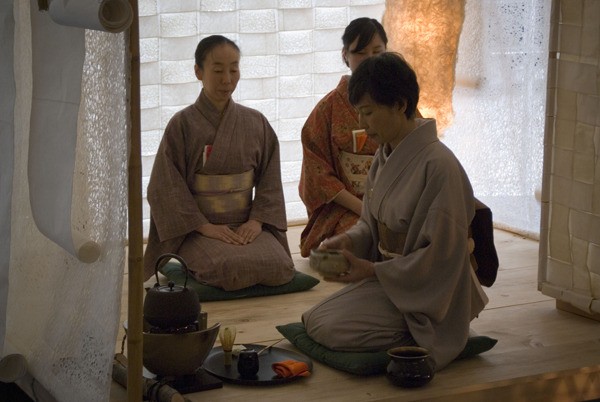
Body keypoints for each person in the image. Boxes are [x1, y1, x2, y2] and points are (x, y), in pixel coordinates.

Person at [302, 52, 489, 371]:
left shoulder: (440, 167)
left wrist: (373, 271)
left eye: (369, 113)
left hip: (430, 293)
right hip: (396, 280)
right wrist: (348, 242)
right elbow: (370, 227)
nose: (362, 124)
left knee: (332, 328)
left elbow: (442, 258)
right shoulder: (385, 155)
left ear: (401, 105)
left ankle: (428, 332)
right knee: (315, 319)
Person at [143, 35, 295, 291]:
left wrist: (256, 221)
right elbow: (165, 186)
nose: (227, 79)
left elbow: (270, 181)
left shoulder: (255, 122)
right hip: (198, 228)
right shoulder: (182, 124)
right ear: (198, 72)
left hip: (245, 225)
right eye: (217, 70)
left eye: (234, 69)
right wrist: (204, 227)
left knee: (279, 265)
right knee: (225, 267)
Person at [298, 18, 421, 258]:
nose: (370, 60)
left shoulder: (399, 101)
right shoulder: (327, 109)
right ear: (345, 56)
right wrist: (365, 208)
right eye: (360, 53)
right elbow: (318, 175)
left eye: (377, 51)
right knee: (363, 245)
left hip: (395, 202)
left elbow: (418, 153)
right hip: (347, 208)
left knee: (417, 236)